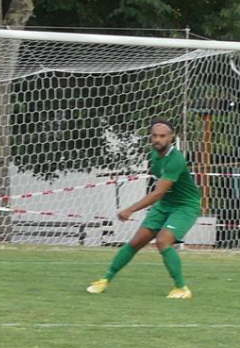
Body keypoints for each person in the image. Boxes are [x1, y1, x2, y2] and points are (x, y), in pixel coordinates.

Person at [86, 118, 201, 299]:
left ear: (171, 137)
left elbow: (158, 193)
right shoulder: (153, 155)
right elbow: (159, 187)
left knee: (163, 241)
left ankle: (182, 288)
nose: (158, 139)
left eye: (162, 136)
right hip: (164, 205)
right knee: (136, 242)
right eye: (154, 136)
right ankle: (104, 280)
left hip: (185, 206)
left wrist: (130, 209)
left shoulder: (176, 159)